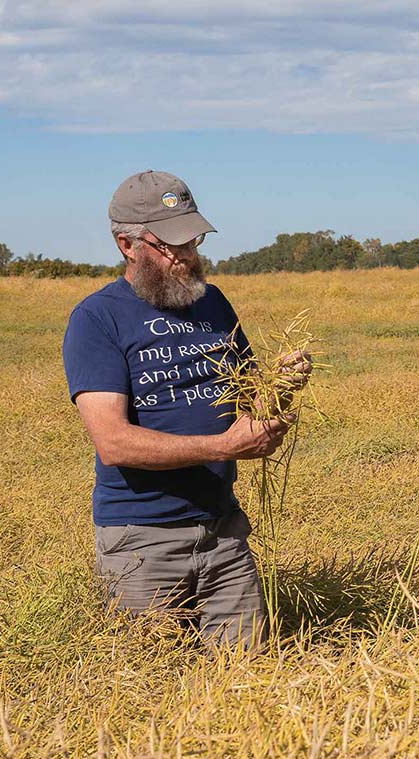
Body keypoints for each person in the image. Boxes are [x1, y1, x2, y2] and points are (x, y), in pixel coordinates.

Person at [63, 170, 308, 648]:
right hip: (141, 541)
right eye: (170, 244)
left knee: (246, 678)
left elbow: (247, 407)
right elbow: (112, 442)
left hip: (224, 533)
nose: (188, 256)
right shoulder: (97, 319)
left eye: (192, 239)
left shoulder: (213, 304)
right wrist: (222, 446)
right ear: (126, 245)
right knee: (148, 691)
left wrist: (282, 385)